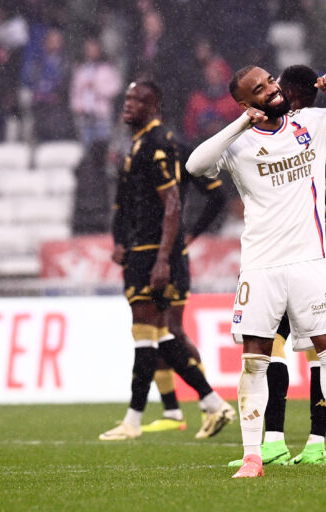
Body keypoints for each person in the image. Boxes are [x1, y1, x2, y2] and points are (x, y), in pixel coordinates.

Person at [187, 65, 326, 478]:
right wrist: (241, 123)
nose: (271, 89)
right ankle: (253, 457)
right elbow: (194, 165)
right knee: (254, 362)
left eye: (270, 81)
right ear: (245, 102)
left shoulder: (311, 122)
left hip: (312, 262)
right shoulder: (236, 144)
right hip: (261, 267)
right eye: (258, 89)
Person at [99, 81, 234, 441]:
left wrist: (166, 255)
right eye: (126, 98)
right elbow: (129, 205)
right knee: (160, 336)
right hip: (145, 251)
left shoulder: (161, 144)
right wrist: (121, 240)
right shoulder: (140, 143)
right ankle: (208, 403)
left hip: (155, 255)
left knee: (154, 335)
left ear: (154, 105)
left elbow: (176, 203)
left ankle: (140, 419)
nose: (128, 105)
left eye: (137, 100)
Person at [227, 64, 326, 468]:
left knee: (278, 351)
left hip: (297, 249)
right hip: (312, 243)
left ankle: (277, 439)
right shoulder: (325, 138)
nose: (275, 91)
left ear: (293, 92)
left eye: (279, 85)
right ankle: (313, 442)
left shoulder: (304, 132)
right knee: (314, 355)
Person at [141, 135, 229, 435]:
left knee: (170, 331)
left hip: (170, 257)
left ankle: (211, 406)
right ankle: (173, 411)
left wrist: (191, 234)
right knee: (153, 331)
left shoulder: (178, 152)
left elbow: (218, 196)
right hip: (150, 255)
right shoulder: (140, 151)